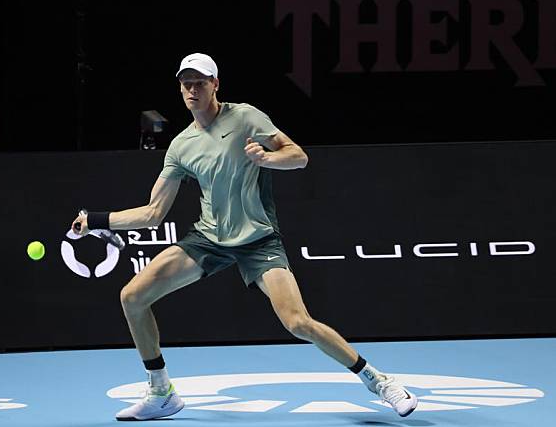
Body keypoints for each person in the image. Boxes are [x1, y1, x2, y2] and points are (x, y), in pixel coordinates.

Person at [72, 52, 418, 421]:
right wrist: (95, 220)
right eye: (186, 83)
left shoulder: (246, 117)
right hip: (209, 239)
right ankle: (161, 391)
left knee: (297, 322)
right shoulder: (181, 146)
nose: (192, 89)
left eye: (200, 82)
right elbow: (153, 213)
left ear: (215, 85)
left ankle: (379, 381)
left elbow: (298, 156)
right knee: (132, 296)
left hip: (258, 240)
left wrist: (267, 160)